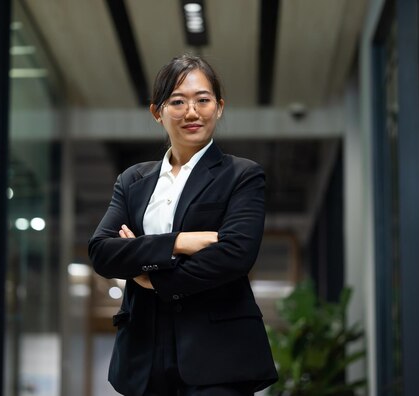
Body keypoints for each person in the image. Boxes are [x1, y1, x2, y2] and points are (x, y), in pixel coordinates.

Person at [88, 54, 278, 396]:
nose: (192, 112)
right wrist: (180, 243)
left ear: (219, 107)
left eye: (202, 100)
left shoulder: (242, 175)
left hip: (218, 356)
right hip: (143, 355)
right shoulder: (133, 180)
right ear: (157, 112)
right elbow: (102, 252)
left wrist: (149, 275)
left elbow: (235, 255)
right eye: (177, 101)